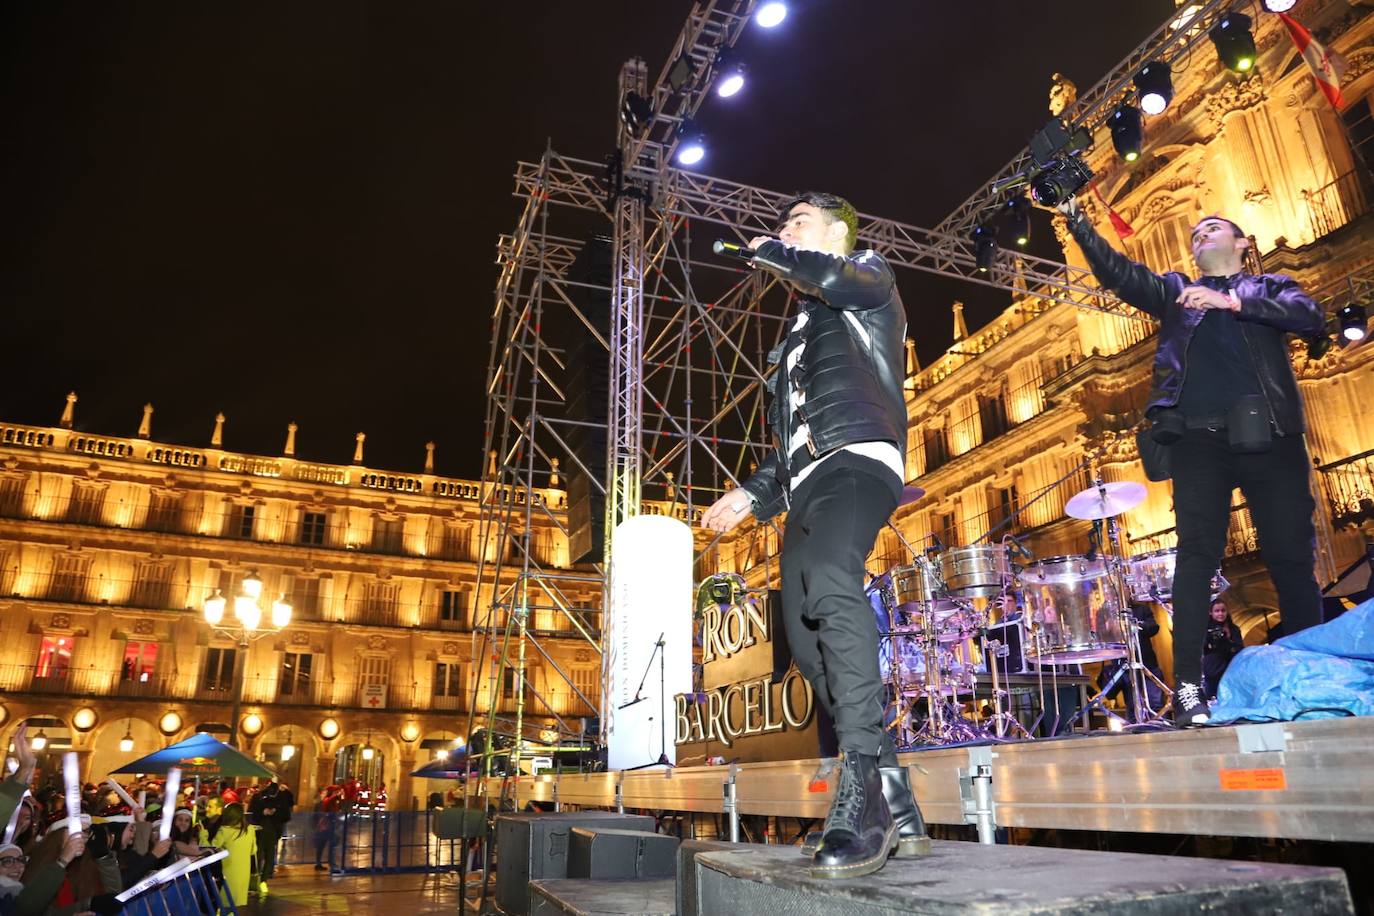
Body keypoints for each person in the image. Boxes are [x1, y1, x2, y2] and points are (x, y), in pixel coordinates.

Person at [702, 191, 928, 879]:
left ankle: (859, 787)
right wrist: (751, 492)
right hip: (807, 483)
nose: (782, 230)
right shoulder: (800, 328)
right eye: (782, 225)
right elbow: (796, 435)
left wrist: (772, 252)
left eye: (796, 222)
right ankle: (898, 803)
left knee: (832, 578)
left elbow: (827, 275)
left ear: (835, 232)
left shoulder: (866, 280)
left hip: (861, 460)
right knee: (803, 643)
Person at [1061, 199, 1325, 726]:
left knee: (1291, 555)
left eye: (1212, 228)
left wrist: (1232, 305)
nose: (1200, 235)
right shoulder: (1177, 294)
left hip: (1271, 434)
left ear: (1243, 244)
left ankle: (1308, 674)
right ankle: (1187, 691)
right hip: (1198, 441)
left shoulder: (1270, 287)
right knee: (1196, 556)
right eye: (1195, 233)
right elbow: (1121, 275)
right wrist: (1078, 224)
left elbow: (1310, 316)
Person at [209, 802, 256, 908]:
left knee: (225, 900)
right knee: (234, 903)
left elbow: (212, 848)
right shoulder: (250, 829)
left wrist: (203, 835)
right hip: (243, 872)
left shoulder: (224, 830)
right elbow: (253, 851)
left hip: (227, 871)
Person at [248, 779, 293, 889]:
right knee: (261, 854)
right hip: (263, 829)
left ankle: (261, 879)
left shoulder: (280, 797)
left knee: (266, 855)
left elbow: (287, 810)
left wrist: (274, 812)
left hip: (271, 829)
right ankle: (258, 879)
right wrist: (264, 812)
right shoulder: (259, 797)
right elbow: (252, 812)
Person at [1202, 599, 1245, 702]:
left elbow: (1240, 648)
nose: (1220, 614)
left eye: (1223, 610)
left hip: (1231, 669)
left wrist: (1228, 641)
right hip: (1213, 670)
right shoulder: (1205, 630)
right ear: (1211, 613)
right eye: (1217, 611)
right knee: (1214, 699)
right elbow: (1203, 648)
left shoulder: (1233, 629)